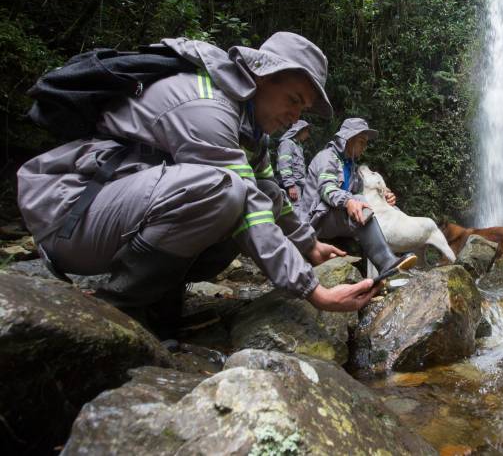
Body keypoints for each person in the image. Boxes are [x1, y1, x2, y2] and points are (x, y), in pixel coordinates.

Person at [17, 32, 378, 336]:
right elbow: (251, 206)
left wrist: (309, 242)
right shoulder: (209, 107)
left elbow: (269, 190)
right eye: (293, 100)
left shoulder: (249, 125)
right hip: (71, 216)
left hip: (111, 210)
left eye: (304, 108)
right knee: (226, 192)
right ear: (262, 76)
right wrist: (314, 292)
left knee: (236, 199)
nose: (296, 115)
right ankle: (118, 306)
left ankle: (158, 305)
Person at [301, 118, 417, 279]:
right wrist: (349, 201)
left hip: (337, 218)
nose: (365, 146)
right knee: (359, 201)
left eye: (366, 142)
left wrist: (385, 198)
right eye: (361, 141)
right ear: (347, 139)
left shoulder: (351, 166)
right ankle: (387, 263)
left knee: (389, 209)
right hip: (318, 219)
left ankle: (394, 264)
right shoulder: (327, 157)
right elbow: (326, 189)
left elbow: (363, 195)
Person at [276, 120, 310, 219]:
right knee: (295, 212)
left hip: (298, 186)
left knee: (299, 211)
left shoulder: (297, 146)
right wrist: (290, 185)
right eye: (307, 131)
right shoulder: (287, 143)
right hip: (292, 186)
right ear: (300, 130)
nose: (308, 135)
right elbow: (284, 164)